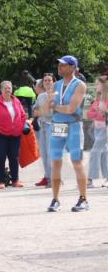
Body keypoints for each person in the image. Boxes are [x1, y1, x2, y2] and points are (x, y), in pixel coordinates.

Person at [36, 56, 89, 212]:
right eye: (59, 64)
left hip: (73, 125)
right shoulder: (56, 85)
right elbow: (45, 111)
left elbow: (71, 109)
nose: (59, 67)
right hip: (57, 125)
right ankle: (55, 199)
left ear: (73, 68)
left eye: (63, 65)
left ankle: (83, 199)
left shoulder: (80, 85)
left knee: (76, 161)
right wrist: (48, 102)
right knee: (56, 162)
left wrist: (55, 106)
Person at [0, 80, 27, 189]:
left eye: (9, 88)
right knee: (0, 157)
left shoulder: (16, 101)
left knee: (14, 157)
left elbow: (23, 115)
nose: (8, 90)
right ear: (1, 90)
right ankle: (0, 181)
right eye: (5, 88)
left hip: (15, 134)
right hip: (0, 135)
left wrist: (20, 127)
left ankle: (15, 180)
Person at [32, 74, 55, 187]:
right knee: (44, 153)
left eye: (49, 80)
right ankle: (48, 176)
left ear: (53, 82)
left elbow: (52, 112)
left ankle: (54, 178)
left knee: (52, 153)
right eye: (45, 80)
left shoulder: (57, 94)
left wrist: (42, 111)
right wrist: (41, 111)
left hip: (54, 125)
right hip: (43, 126)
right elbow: (35, 110)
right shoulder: (41, 96)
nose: (47, 82)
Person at [87, 75, 108, 187]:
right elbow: (89, 114)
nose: (96, 86)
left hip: (105, 129)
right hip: (96, 129)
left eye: (97, 84)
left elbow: (102, 115)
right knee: (104, 154)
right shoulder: (98, 99)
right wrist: (98, 113)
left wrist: (101, 113)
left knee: (94, 152)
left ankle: (90, 179)